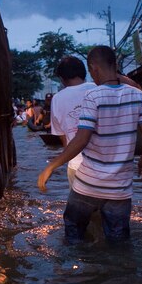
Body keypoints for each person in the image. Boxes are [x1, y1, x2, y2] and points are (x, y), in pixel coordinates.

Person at [37, 46, 142, 244]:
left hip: (88, 184)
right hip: (120, 189)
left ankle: (81, 264)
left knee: (74, 236)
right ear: (115, 65)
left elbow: (81, 140)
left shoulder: (93, 96)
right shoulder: (137, 96)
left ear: (93, 68)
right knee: (118, 243)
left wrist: (52, 166)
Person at [50, 55, 96, 186]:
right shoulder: (98, 88)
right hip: (106, 164)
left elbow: (63, 138)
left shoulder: (57, 99)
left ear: (62, 78)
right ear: (84, 72)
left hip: (76, 164)